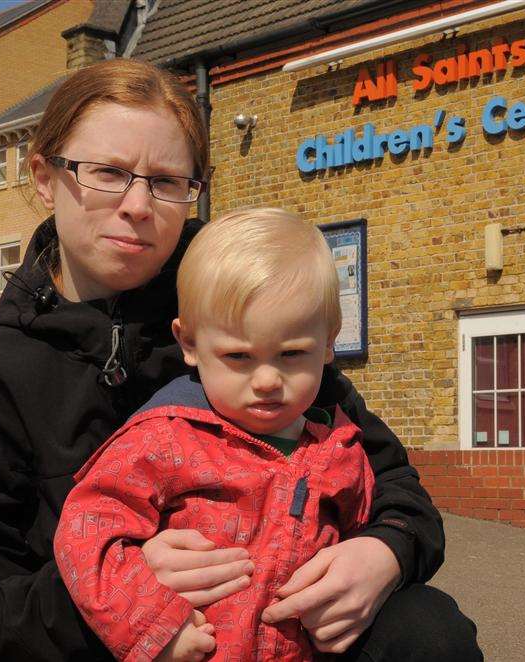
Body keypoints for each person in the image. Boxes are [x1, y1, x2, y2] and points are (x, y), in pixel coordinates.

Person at [0, 58, 481, 662]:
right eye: (107, 173)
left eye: (166, 180)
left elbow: (391, 483)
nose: (137, 205)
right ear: (45, 177)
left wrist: (385, 552)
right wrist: (118, 594)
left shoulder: (245, 314)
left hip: (289, 639)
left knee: (427, 632)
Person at [56, 208, 378, 662]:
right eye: (239, 357)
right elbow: (87, 533)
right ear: (188, 344)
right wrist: (154, 626)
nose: (267, 379)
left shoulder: (340, 447)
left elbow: (366, 528)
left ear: (329, 342)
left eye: (291, 354)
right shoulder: (163, 439)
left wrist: (377, 558)